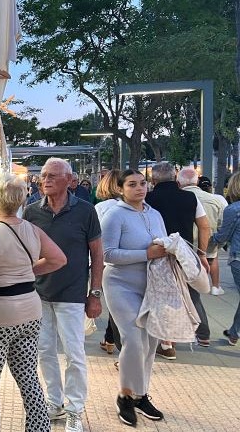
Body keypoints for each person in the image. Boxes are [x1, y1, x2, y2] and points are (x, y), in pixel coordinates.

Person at [0, 172, 66, 432]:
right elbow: (59, 259)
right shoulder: (33, 230)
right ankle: (39, 428)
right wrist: (27, 272)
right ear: (22, 202)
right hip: (30, 311)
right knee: (29, 377)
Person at [23, 158, 103, 432]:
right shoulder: (32, 211)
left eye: (53, 176)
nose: (45, 180)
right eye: (44, 175)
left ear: (69, 180)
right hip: (39, 293)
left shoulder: (85, 211)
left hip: (72, 294)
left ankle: (74, 409)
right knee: (44, 351)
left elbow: (97, 254)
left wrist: (95, 293)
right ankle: (54, 402)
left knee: (74, 354)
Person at [101, 169, 167, 426]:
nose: (139, 188)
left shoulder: (155, 214)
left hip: (152, 284)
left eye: (142, 183)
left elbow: (164, 243)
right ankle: (125, 396)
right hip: (120, 284)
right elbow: (107, 254)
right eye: (132, 184)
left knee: (150, 341)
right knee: (133, 340)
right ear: (120, 189)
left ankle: (140, 394)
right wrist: (146, 254)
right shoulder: (114, 215)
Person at [145, 162, 211, 354]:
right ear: (175, 178)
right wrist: (201, 253)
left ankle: (166, 341)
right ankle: (196, 333)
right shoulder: (190, 198)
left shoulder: (147, 198)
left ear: (153, 180)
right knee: (188, 294)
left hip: (157, 253)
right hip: (184, 253)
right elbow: (204, 226)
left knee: (159, 297)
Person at [94, 169, 123, 355]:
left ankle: (113, 340)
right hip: (127, 260)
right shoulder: (133, 207)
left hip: (105, 261)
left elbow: (95, 237)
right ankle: (111, 338)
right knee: (119, 305)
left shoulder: (101, 208)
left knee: (111, 303)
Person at [211, 172, 240, 346]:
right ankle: (234, 332)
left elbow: (223, 236)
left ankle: (235, 332)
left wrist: (208, 239)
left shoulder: (233, 209)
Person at [192, 174, 229, 295]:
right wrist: (220, 241)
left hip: (191, 237)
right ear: (210, 187)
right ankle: (215, 286)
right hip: (210, 236)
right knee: (212, 259)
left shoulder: (189, 196)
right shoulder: (217, 199)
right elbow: (223, 220)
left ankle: (196, 287)